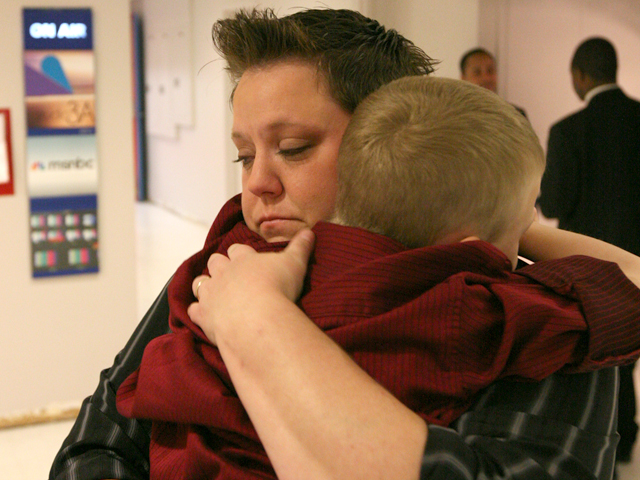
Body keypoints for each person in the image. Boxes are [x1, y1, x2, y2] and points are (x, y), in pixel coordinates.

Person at [50, 9, 634, 480]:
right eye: (244, 156)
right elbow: (94, 443)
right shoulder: (227, 265)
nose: (256, 184)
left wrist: (259, 323)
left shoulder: (522, 314)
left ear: (384, 140)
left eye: (295, 148)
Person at [537, 36, 640, 464]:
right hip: (638, 260)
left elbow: (553, 203)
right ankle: (628, 437)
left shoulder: (567, 130)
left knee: (597, 353)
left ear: (580, 75)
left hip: (588, 265)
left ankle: (600, 443)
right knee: (631, 348)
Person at [460, 47, 528, 117]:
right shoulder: (457, 115)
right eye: (477, 72)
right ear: (463, 78)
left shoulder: (516, 115)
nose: (486, 78)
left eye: (490, 70)